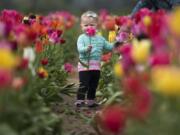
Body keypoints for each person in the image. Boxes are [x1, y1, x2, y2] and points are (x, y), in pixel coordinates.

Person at [75, 11, 114, 108]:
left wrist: (118, 44)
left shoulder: (100, 38)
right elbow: (79, 49)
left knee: (93, 84)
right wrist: (86, 49)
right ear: (81, 26)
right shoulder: (81, 38)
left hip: (96, 66)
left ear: (97, 25)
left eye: (92, 25)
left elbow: (109, 47)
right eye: (86, 25)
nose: (89, 27)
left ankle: (90, 101)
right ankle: (80, 100)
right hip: (84, 66)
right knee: (84, 84)